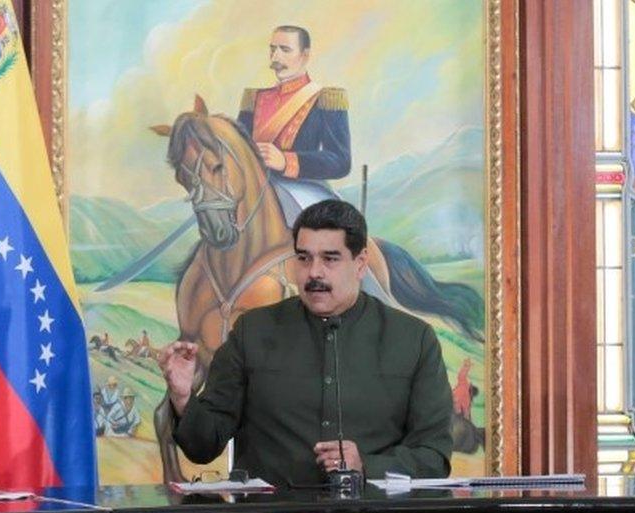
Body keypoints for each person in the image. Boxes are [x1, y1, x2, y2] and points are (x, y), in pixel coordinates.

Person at [160, 200, 453, 486]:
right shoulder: (252, 331)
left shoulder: (414, 339)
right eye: (304, 258)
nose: (314, 272)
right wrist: (184, 398)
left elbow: (433, 458)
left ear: (361, 263)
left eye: (330, 258)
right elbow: (203, 447)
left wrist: (365, 464)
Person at [238, 25, 350, 227]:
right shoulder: (254, 99)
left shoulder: (326, 99)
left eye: (285, 50)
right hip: (252, 195)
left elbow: (340, 161)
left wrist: (285, 161)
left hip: (304, 191)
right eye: (273, 49)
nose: (275, 58)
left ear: (305, 55)